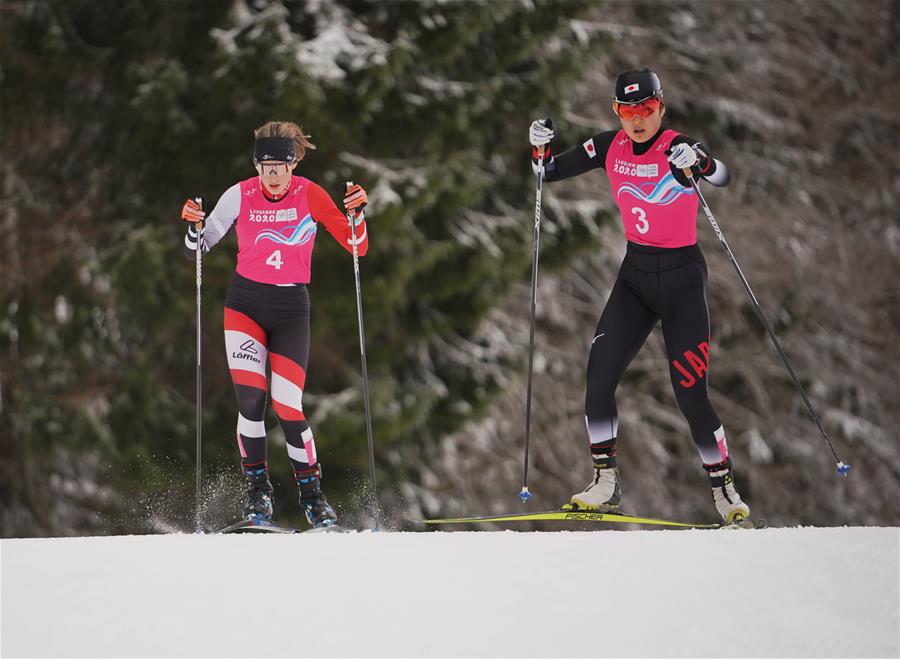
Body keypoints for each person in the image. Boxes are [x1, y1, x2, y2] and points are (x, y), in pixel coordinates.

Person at [528, 69, 750, 523]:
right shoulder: (610, 146)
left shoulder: (676, 147)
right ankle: (605, 482)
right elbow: (548, 172)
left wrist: (701, 163)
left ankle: (723, 485)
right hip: (635, 279)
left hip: (682, 281)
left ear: (660, 107)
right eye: (627, 111)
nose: (637, 119)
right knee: (598, 378)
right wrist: (538, 147)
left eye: (646, 109)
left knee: (690, 395)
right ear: (617, 113)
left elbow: (722, 175)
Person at [180, 120, 370, 528]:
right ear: (256, 167)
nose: (272, 176)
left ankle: (313, 496)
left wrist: (356, 215)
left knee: (287, 404)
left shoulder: (310, 195)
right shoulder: (239, 195)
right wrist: (193, 226)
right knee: (251, 400)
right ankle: (258, 493)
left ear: (292, 165)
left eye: (279, 168)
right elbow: (200, 244)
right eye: (264, 168)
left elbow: (357, 245)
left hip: (290, 309)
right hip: (245, 305)